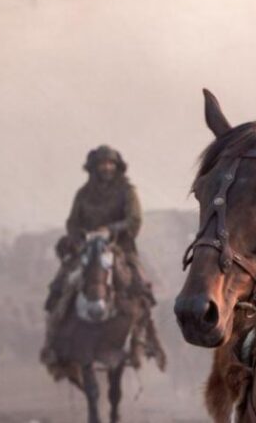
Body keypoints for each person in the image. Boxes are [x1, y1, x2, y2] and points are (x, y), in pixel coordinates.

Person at [43, 145, 165, 369]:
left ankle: (143, 340)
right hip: (86, 248)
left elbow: (134, 219)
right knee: (59, 286)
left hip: (120, 248)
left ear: (117, 167)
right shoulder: (83, 193)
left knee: (141, 288)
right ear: (94, 168)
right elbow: (72, 222)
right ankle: (52, 343)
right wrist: (80, 236)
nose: (106, 167)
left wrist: (110, 230)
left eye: (110, 163)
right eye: (102, 164)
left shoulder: (127, 191)